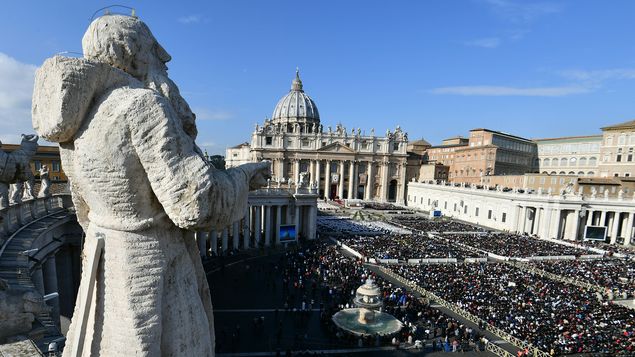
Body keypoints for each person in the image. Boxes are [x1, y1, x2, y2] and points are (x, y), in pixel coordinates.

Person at [32, 14, 270, 357]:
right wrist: (243, 177)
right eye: (155, 49)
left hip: (104, 261)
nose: (166, 58)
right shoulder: (142, 105)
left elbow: (83, 210)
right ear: (132, 52)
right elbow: (195, 202)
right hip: (153, 271)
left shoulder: (78, 123)